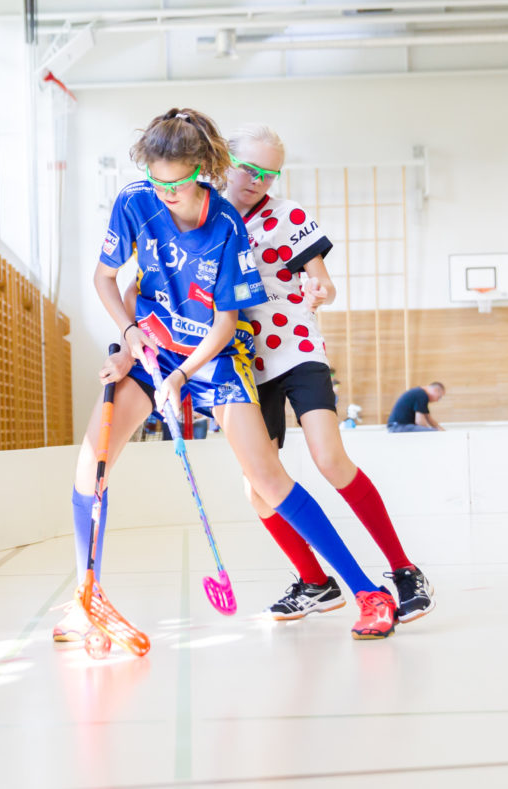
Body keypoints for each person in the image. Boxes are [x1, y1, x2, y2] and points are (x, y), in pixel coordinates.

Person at [56, 108, 399, 642]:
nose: (166, 193)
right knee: (91, 466)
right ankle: (85, 597)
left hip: (213, 355)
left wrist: (183, 375)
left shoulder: (226, 226)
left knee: (267, 480)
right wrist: (128, 337)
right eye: (156, 180)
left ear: (203, 168)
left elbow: (224, 322)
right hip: (151, 348)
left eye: (179, 182)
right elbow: (107, 279)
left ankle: (367, 593)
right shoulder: (133, 201)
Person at [221, 123, 435, 623]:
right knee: (256, 485)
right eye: (250, 168)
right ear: (226, 161)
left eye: (269, 174)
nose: (258, 180)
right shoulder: (206, 220)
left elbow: (323, 283)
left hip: (295, 350)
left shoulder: (288, 217)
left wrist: (321, 292)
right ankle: (315, 583)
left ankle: (403, 569)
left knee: (329, 458)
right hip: (242, 364)